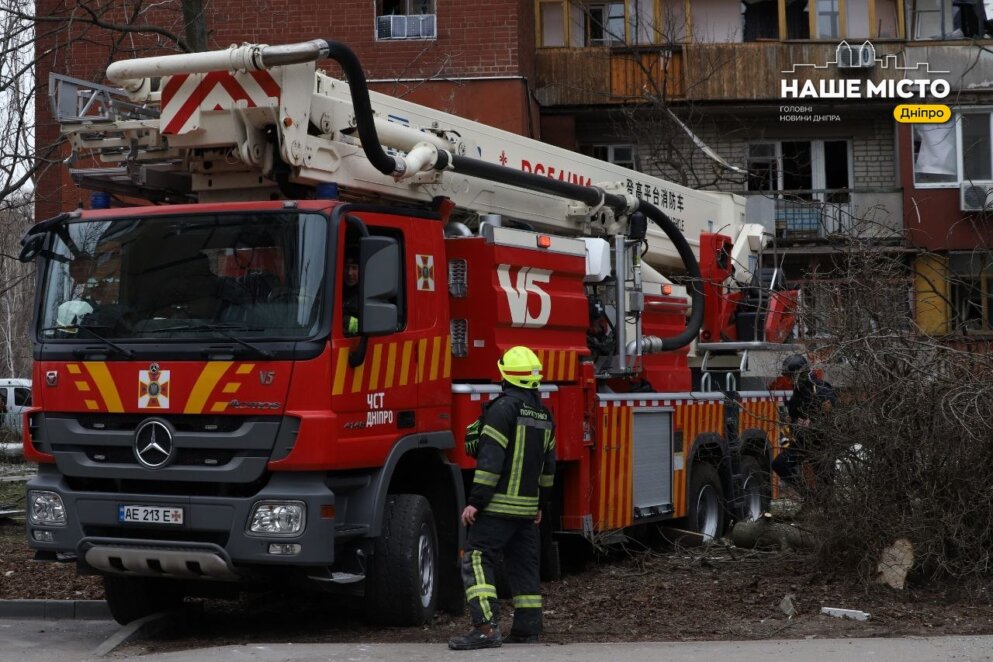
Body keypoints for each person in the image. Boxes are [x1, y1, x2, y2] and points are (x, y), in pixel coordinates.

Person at [448, 346, 556, 651]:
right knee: (523, 564)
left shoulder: (501, 409)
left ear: (506, 375)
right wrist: (539, 505)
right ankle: (527, 628)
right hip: (526, 510)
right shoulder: (544, 415)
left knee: (478, 557)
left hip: (496, 506)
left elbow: (490, 461)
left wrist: (476, 502)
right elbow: (549, 469)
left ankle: (485, 628)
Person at [771, 354, 837, 490]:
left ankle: (823, 505)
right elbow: (793, 418)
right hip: (803, 442)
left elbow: (833, 415)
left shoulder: (821, 389)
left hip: (822, 444)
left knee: (825, 485)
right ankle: (808, 497)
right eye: (787, 376)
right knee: (779, 464)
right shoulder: (797, 394)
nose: (789, 380)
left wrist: (815, 421)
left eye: (791, 376)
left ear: (800, 374)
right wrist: (794, 422)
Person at [343, 248, 359, 335]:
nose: (349, 273)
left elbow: (367, 329)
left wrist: (346, 321)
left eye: (354, 268)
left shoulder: (371, 295)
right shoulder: (332, 291)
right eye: (346, 267)